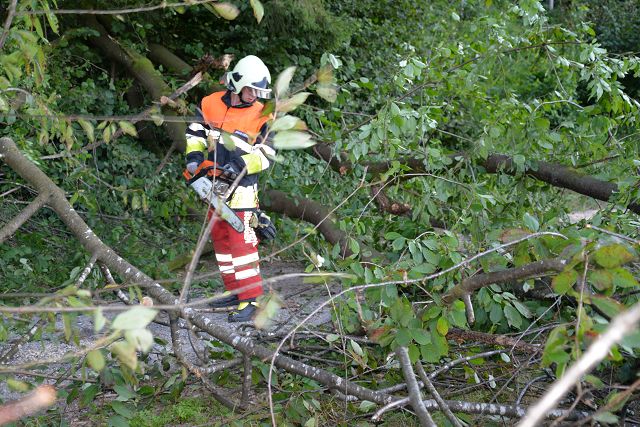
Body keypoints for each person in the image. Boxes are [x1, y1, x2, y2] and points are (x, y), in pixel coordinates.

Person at [184, 55, 276, 322]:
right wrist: (194, 157)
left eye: (258, 92)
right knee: (222, 241)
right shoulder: (210, 103)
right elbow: (195, 132)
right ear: (237, 84)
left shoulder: (262, 115)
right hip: (213, 185)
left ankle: (251, 299)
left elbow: (267, 154)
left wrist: (240, 165)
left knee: (241, 243)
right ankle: (236, 291)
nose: (254, 96)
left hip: (242, 188)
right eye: (251, 90)